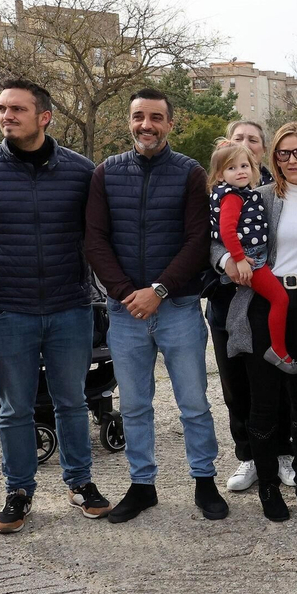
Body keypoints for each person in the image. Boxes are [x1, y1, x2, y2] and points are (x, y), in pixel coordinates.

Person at [0, 78, 108, 532]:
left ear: (44, 117)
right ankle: (18, 490)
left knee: (73, 401)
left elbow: (97, 237)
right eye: (1, 109)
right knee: (15, 408)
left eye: (17, 109)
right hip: (7, 310)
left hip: (70, 307)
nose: (6, 116)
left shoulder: (81, 172)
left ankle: (81, 483)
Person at [84, 88, 222, 523]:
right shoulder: (106, 173)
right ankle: (142, 485)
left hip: (177, 307)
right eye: (139, 116)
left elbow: (197, 241)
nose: (147, 125)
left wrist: (158, 290)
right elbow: (95, 239)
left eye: (156, 117)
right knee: (136, 404)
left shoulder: (189, 174)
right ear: (129, 121)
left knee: (194, 402)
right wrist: (128, 293)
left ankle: (205, 480)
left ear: (170, 123)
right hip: (125, 313)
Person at [212, 124, 297, 520]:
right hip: (262, 302)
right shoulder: (259, 196)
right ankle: (268, 484)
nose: (292, 161)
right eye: (283, 154)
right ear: (274, 159)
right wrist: (227, 262)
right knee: (263, 397)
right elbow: (220, 235)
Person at [210, 120, 285, 496]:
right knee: (235, 384)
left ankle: (281, 452)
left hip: (265, 292)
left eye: (252, 140)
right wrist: (227, 259)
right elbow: (210, 234)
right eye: (238, 139)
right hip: (228, 297)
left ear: (261, 150)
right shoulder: (219, 190)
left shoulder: (273, 189)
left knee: (274, 377)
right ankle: (249, 456)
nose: (244, 146)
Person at [209, 144, 297, 372]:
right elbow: (227, 230)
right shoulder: (232, 197)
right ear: (220, 175)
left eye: (244, 166)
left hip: (252, 257)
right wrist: (238, 260)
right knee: (280, 299)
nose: (240, 171)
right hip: (249, 259)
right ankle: (277, 349)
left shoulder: (244, 193)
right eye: (232, 168)